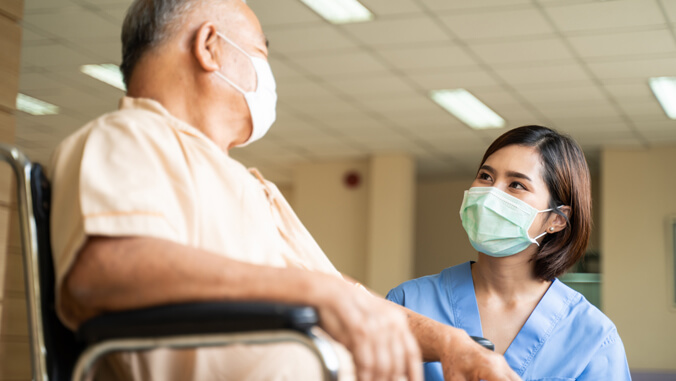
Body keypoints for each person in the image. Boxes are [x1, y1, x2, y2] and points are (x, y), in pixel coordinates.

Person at [49, 0, 521, 380]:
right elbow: (104, 269)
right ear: (210, 46)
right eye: (261, 52)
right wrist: (313, 293)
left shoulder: (247, 186)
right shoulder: (128, 136)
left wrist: (452, 345)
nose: (266, 73)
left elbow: (343, 297)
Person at [387, 126, 631, 380]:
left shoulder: (592, 336)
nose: (491, 195)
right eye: (485, 176)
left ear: (557, 219)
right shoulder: (409, 302)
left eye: (516, 184)